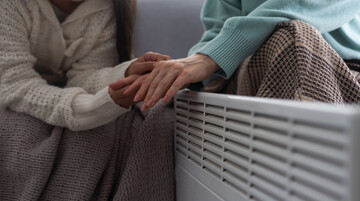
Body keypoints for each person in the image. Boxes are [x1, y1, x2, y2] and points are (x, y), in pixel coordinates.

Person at [0, 0, 175, 201]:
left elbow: (84, 75)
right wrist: (93, 107)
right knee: (22, 130)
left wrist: (123, 74)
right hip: (9, 89)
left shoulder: (105, 7)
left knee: (141, 124)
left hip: (56, 92)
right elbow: (14, 83)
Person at [109, 0, 360, 109]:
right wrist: (180, 76)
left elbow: (299, 6)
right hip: (259, 68)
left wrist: (211, 58)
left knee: (292, 36)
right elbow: (218, 29)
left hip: (345, 69)